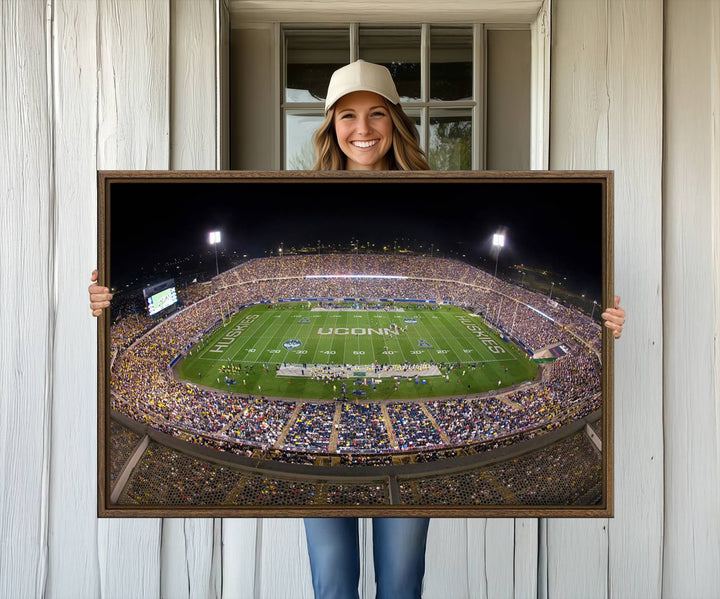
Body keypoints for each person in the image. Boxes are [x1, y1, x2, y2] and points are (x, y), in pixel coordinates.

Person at [88, 59, 627, 599]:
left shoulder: (435, 188)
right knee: (333, 585)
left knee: (400, 584)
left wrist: (605, 324)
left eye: (376, 115)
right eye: (347, 116)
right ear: (330, 126)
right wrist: (104, 302)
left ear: (395, 121)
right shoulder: (299, 187)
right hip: (324, 482)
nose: (362, 129)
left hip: (402, 485)